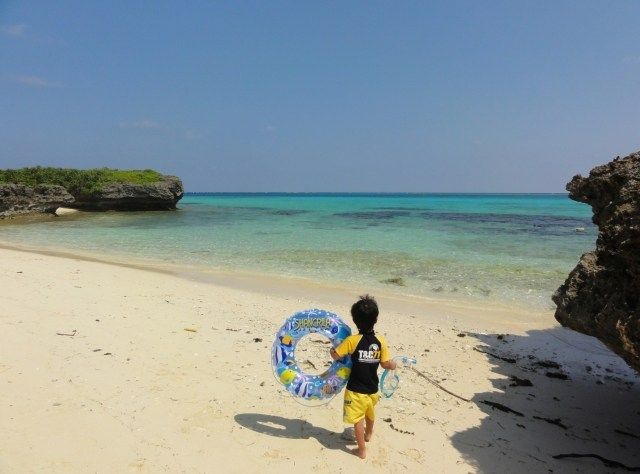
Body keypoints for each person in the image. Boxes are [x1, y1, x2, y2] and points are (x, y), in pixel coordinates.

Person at [330, 294, 397, 459]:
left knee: (358, 419)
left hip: (356, 389)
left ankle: (361, 450)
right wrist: (393, 364)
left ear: (354, 320)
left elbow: (336, 355)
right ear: (376, 319)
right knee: (369, 412)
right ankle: (368, 435)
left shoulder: (352, 340)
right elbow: (385, 364)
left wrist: (332, 350)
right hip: (373, 388)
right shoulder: (380, 340)